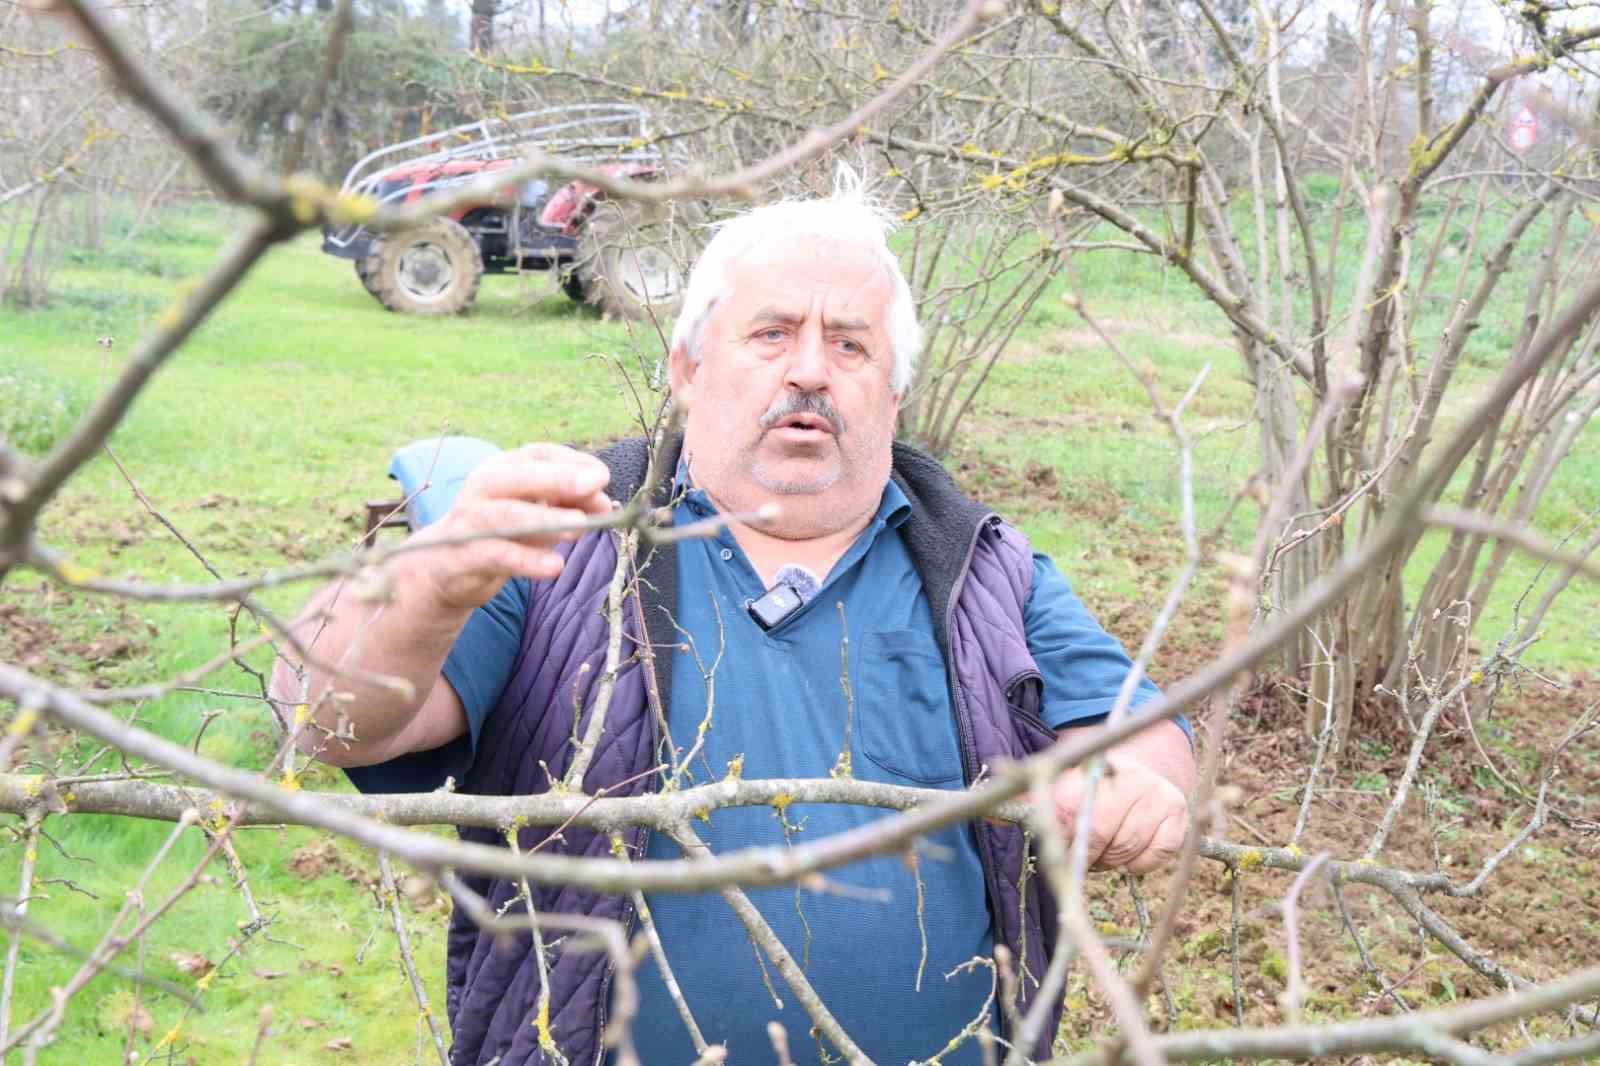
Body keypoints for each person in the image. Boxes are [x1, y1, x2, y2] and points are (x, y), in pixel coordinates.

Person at [275, 172, 1194, 1066]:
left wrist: (1128, 785)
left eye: (850, 345)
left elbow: (1145, 733)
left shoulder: (983, 570)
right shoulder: (563, 539)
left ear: (893, 396)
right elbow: (323, 718)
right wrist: (428, 583)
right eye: (771, 333)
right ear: (688, 368)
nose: (810, 370)